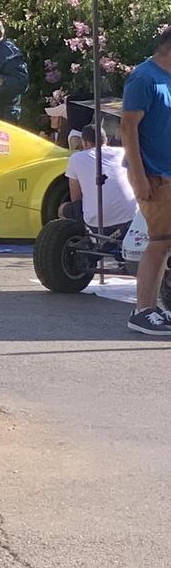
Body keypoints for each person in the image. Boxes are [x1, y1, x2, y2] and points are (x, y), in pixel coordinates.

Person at [121, 27, 171, 337]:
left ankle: (153, 307)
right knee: (161, 240)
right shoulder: (144, 78)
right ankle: (143, 310)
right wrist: (139, 179)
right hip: (154, 175)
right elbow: (128, 129)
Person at [66, 125, 136, 230]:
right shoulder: (122, 152)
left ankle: (86, 237)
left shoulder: (75, 158)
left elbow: (75, 197)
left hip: (99, 223)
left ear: (84, 142)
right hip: (131, 216)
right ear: (106, 139)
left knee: (64, 209)